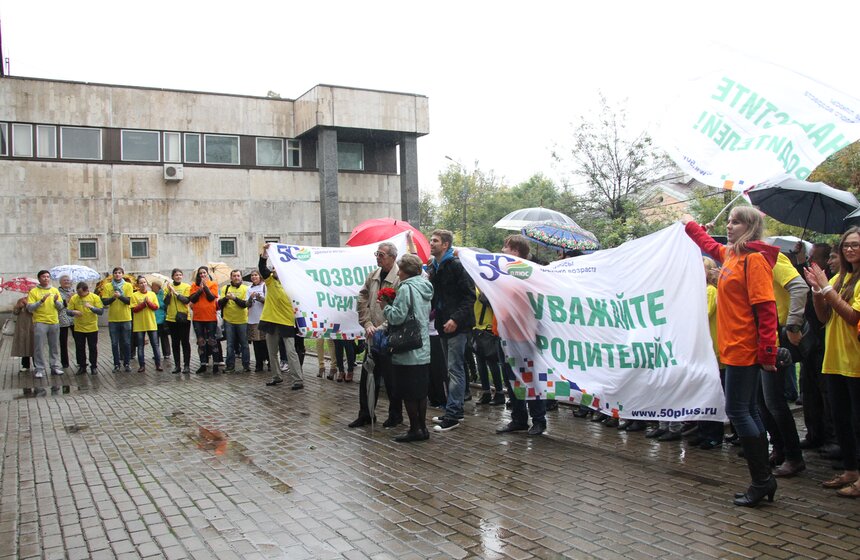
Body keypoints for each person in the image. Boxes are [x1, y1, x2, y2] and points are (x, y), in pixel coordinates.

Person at [682, 209, 779, 507]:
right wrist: (689, 224)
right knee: (746, 411)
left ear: (750, 228)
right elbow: (708, 244)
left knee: (739, 412)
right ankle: (764, 480)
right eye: (729, 221)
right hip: (732, 347)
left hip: (745, 349)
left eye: (736, 222)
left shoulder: (755, 261)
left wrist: (767, 353)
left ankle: (762, 481)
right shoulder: (731, 256)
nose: (729, 225)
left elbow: (767, 311)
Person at [804, 227, 860, 497]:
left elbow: (852, 317)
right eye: (846, 245)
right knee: (841, 420)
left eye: (856, 245)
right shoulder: (840, 278)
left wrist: (827, 287)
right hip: (834, 359)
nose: (850, 250)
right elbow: (824, 317)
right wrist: (817, 291)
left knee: (857, 422)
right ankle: (851, 471)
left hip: (855, 362)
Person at [757, 252, 808, 477]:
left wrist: (793, 325)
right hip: (758, 335)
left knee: (774, 401)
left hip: (777, 334)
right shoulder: (745, 260)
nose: (729, 227)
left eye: (736, 222)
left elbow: (799, 287)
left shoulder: (771, 258)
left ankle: (793, 457)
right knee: (761, 401)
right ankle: (778, 449)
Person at [494, 235, 548, 436]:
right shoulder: (505, 275)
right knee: (511, 379)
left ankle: (539, 420)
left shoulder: (530, 276)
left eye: (505, 247)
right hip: (506, 336)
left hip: (525, 337)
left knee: (530, 379)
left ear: (515, 251)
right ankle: (518, 419)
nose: (502, 250)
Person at [427, 229, 476, 432]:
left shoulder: (456, 266)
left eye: (435, 241)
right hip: (442, 325)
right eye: (431, 240)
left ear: (446, 244)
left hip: (457, 326)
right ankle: (454, 409)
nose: (431, 243)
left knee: (455, 369)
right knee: (451, 368)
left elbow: (469, 296)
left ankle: (453, 414)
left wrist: (455, 319)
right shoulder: (435, 266)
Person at [382, 253, 434, 442]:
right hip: (423, 344)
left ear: (404, 272)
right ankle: (423, 427)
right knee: (420, 391)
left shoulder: (405, 289)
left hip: (407, 346)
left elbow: (398, 316)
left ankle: (414, 429)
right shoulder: (425, 287)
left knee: (408, 392)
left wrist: (386, 307)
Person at [350, 242, 402, 428]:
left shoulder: (400, 278)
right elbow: (362, 298)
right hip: (372, 336)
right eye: (377, 254)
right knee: (367, 377)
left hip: (390, 336)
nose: (377, 257)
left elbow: (401, 309)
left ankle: (395, 416)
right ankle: (366, 414)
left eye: (381, 254)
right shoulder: (373, 276)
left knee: (391, 379)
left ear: (392, 257)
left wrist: (381, 327)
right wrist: (368, 323)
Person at [799, 243, 838, 454]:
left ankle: (833, 438)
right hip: (811, 344)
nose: (810, 262)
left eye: (814, 258)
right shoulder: (815, 280)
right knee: (810, 390)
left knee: (827, 393)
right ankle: (814, 434)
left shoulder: (832, 282)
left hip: (826, 343)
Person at [259, 244, 304, 389]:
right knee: (272, 352)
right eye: (273, 269)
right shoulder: (270, 282)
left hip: (286, 322)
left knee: (291, 352)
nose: (274, 271)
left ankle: (298, 379)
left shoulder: (292, 285)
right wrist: (265, 253)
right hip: (271, 320)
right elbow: (262, 268)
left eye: (277, 269)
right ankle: (276, 376)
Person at [27, 270, 65, 379]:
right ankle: (39, 369)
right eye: (43, 277)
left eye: (48, 277)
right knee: (39, 346)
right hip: (40, 322)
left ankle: (55, 367)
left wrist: (57, 301)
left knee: (54, 346)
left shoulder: (54, 290)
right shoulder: (34, 291)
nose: (46, 278)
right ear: (39, 279)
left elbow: (61, 307)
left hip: (54, 321)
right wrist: (41, 301)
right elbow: (29, 308)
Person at [472, 287, 505, 406]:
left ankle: (499, 393)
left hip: (488, 329)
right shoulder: (476, 288)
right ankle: (486, 391)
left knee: (492, 362)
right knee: (481, 363)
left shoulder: (489, 289)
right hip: (477, 328)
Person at [66, 282, 104, 375]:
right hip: (79, 328)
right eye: (78, 293)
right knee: (80, 348)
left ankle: (93, 366)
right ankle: (82, 366)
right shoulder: (74, 298)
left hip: (92, 327)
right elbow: (68, 311)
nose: (79, 295)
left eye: (81, 293)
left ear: (86, 290)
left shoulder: (95, 297)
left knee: (92, 348)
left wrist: (91, 307)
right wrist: (73, 312)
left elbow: (101, 311)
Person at [189, 266, 222, 374]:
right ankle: (203, 363)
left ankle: (216, 364)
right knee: (201, 341)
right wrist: (199, 289)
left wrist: (205, 287)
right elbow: (192, 299)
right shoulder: (194, 285)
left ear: (207, 274)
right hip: (198, 318)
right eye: (200, 273)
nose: (202, 275)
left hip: (210, 317)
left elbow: (211, 298)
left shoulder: (213, 284)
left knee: (212, 340)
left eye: (204, 273)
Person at [101, 267, 133, 372]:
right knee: (114, 343)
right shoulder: (107, 286)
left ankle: (127, 363)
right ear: (113, 275)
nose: (117, 275)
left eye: (119, 273)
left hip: (126, 318)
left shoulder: (128, 285)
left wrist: (120, 296)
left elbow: (129, 301)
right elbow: (105, 302)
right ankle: (116, 364)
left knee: (127, 342)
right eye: (115, 273)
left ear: (123, 274)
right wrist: (113, 298)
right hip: (113, 319)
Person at [219, 269, 251, 373]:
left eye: (238, 276)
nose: (236, 278)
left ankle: (246, 365)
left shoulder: (246, 288)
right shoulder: (225, 288)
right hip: (229, 320)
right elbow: (220, 304)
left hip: (242, 320)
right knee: (230, 344)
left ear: (241, 277)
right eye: (234, 276)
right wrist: (226, 298)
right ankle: (230, 366)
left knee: (244, 344)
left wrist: (234, 298)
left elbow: (244, 305)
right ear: (231, 277)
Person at [131, 276, 162, 372]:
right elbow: (134, 309)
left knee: (155, 345)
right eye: (141, 283)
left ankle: (158, 364)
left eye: (144, 282)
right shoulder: (134, 295)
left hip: (151, 323)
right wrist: (143, 304)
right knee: (140, 346)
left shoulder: (152, 294)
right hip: (139, 325)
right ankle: (142, 365)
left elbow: (156, 307)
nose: (143, 284)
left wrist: (148, 302)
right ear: (138, 285)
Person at [164, 269, 192, 374]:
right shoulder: (168, 287)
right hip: (171, 318)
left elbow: (186, 300)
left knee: (185, 342)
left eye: (180, 275)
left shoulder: (186, 287)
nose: (178, 277)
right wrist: (170, 293)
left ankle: (187, 365)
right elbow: (165, 302)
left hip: (184, 318)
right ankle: (177, 366)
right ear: (172, 276)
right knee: (175, 343)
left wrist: (175, 293)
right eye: (176, 275)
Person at [246, 270, 269, 371]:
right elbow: (247, 304)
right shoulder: (249, 288)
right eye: (252, 275)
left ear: (260, 276)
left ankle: (269, 362)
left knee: (265, 341)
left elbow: (268, 301)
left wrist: (259, 297)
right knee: (256, 342)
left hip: (263, 318)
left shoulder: (264, 286)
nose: (254, 277)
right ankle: (258, 363)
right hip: (252, 319)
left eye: (256, 275)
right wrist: (251, 298)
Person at [150, 280, 171, 365]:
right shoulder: (151, 294)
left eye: (154, 286)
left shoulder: (163, 294)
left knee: (164, 337)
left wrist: (157, 303)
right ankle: (156, 353)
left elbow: (165, 305)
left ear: (158, 287)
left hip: (162, 318)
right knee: (155, 338)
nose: (152, 287)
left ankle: (166, 353)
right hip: (153, 318)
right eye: (152, 286)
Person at [11, 296, 34, 373]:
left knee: (33, 343)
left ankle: (37, 365)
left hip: (32, 324)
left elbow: (35, 311)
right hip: (22, 325)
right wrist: (18, 306)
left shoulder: (35, 300)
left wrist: (27, 304)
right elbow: (15, 312)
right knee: (24, 344)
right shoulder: (21, 299)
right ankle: (25, 365)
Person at [57, 275, 74, 369]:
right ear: (60, 282)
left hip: (74, 319)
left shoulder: (74, 291)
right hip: (62, 319)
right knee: (63, 343)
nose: (67, 281)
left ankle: (80, 361)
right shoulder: (57, 292)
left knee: (79, 341)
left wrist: (74, 298)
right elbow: (57, 306)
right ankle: (65, 363)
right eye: (64, 280)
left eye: (68, 280)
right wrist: (67, 300)